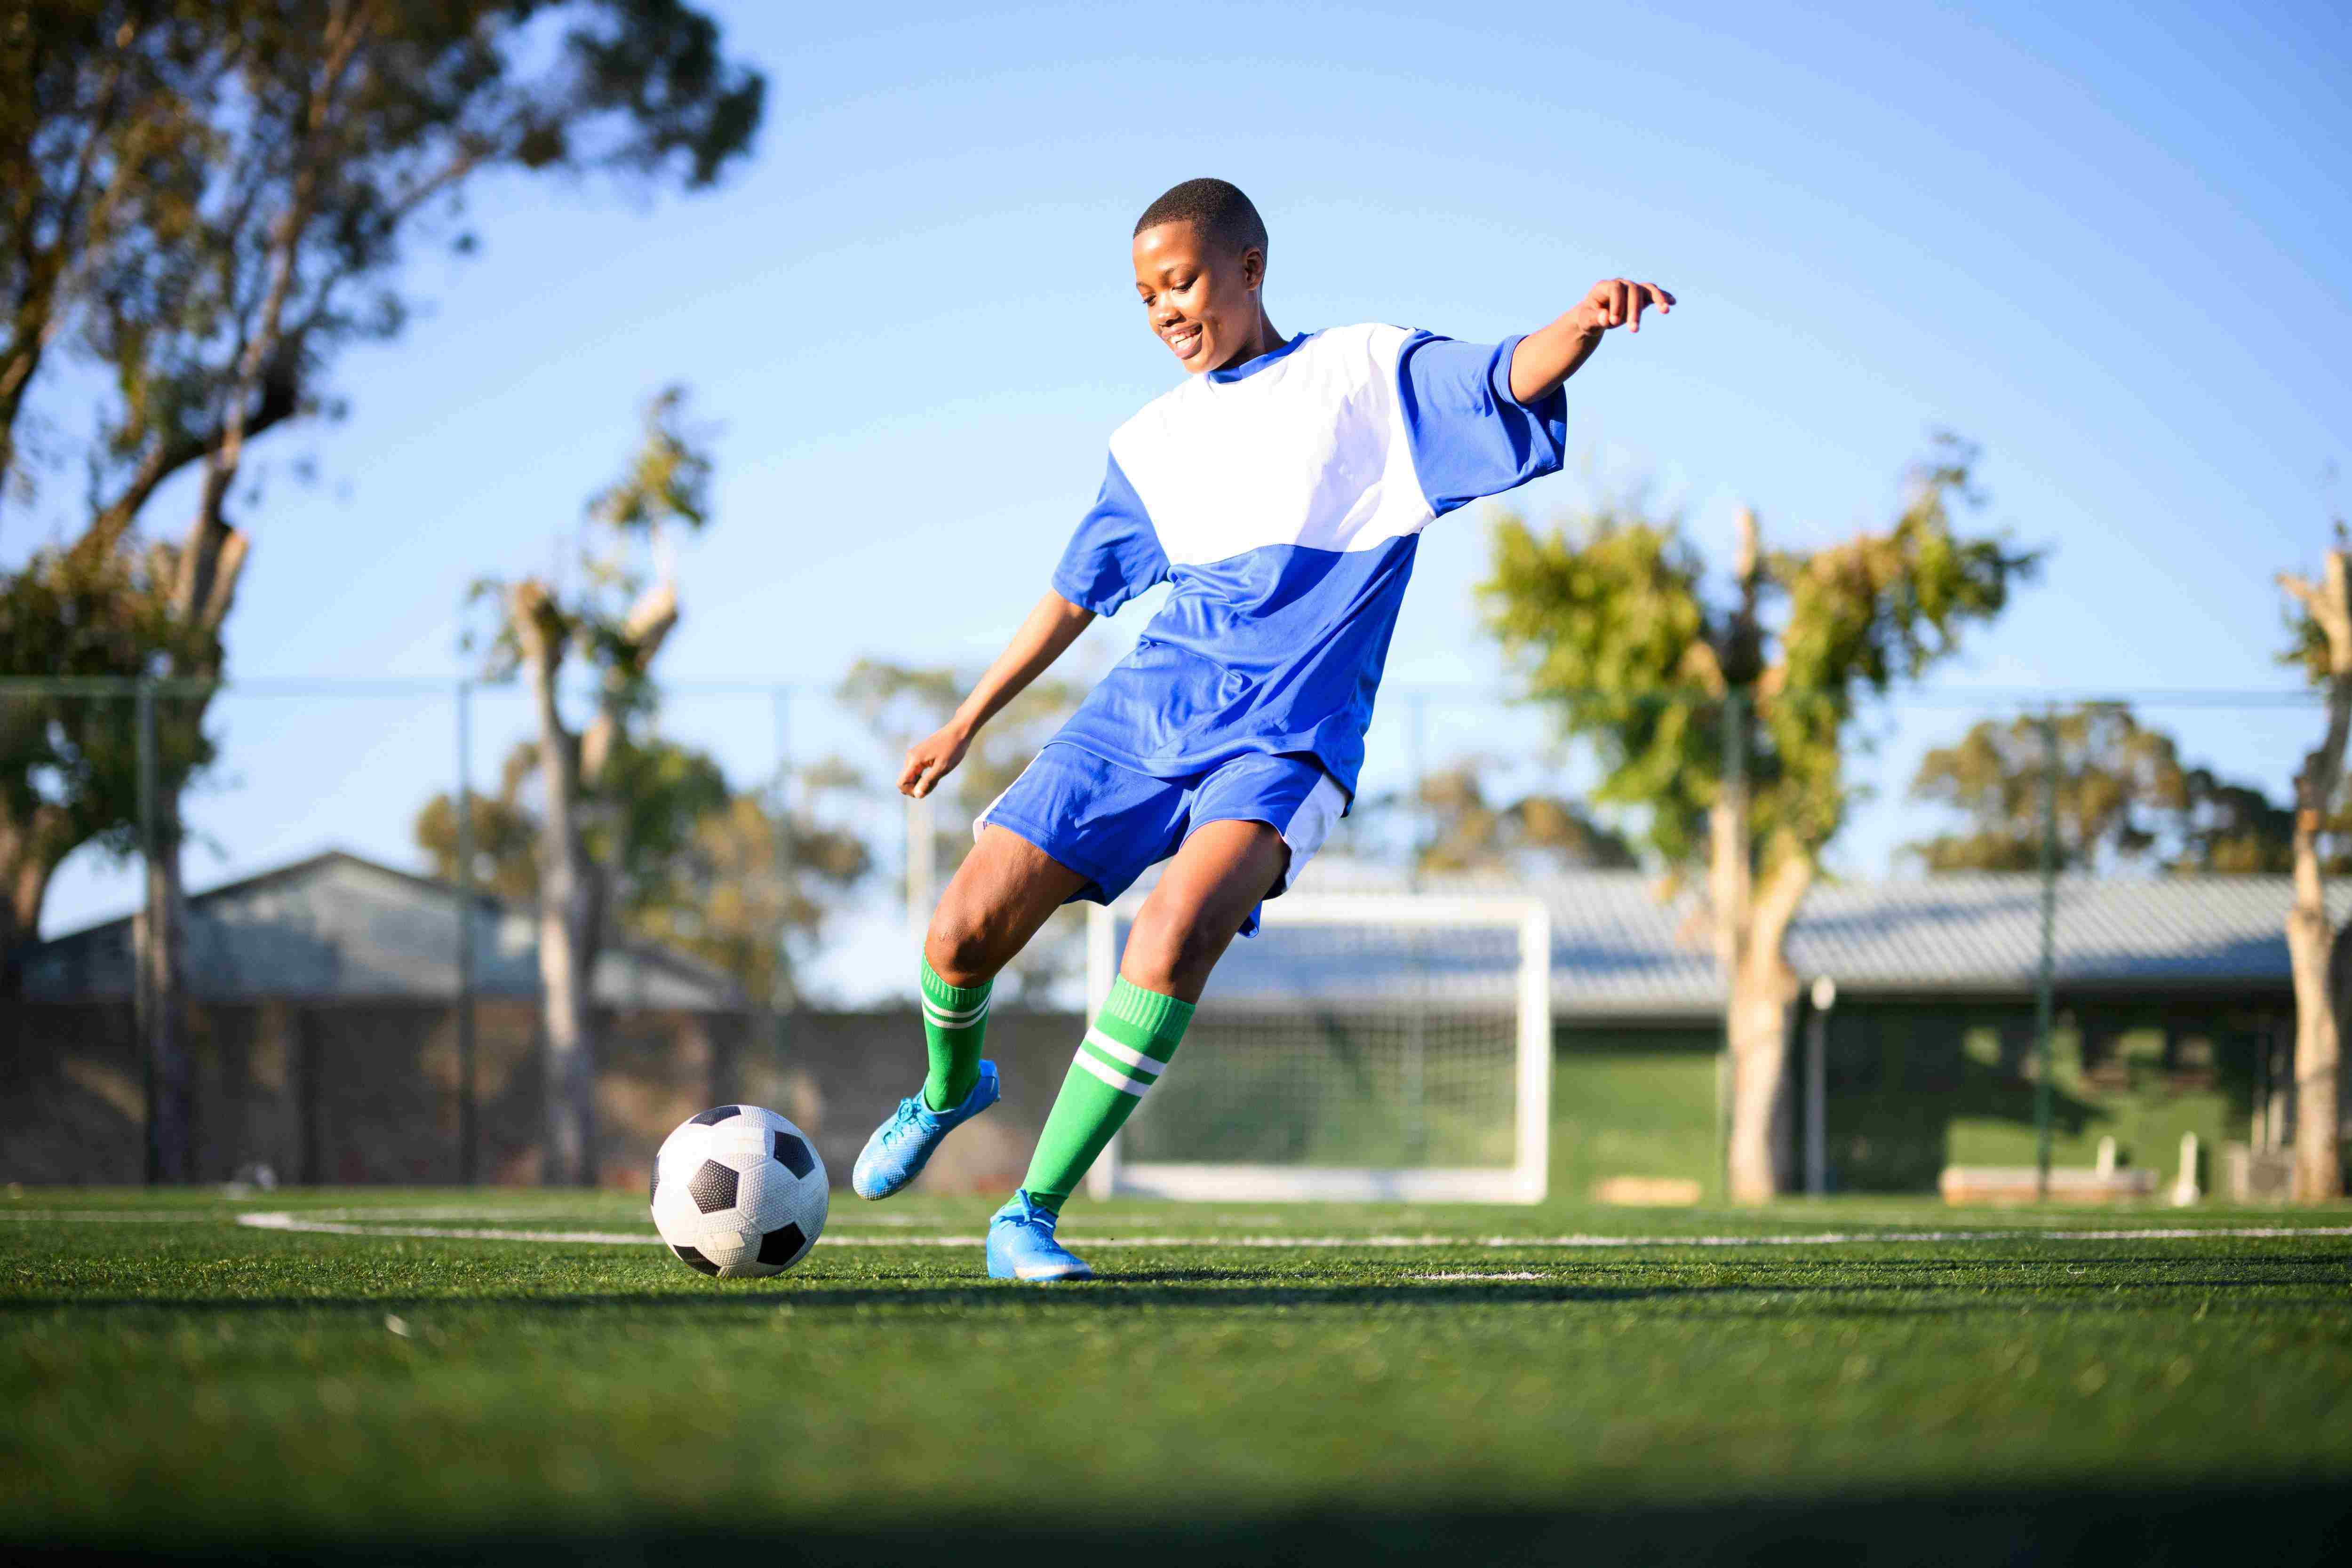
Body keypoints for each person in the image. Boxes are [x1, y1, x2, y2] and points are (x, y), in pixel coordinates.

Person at [851, 176, 1672, 1280]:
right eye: (1145, 296)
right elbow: (1076, 591)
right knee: (958, 933)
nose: (1165, 311)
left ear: (1249, 266)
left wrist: (1578, 324)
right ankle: (952, 1087)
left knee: (1174, 930)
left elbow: (1497, 376)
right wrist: (965, 720)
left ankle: (1027, 1215)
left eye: (1181, 280)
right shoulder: (1151, 441)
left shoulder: (1363, 376)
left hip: (1284, 741)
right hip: (1142, 718)